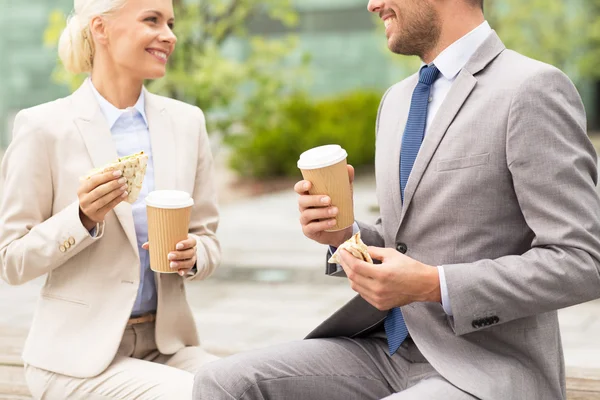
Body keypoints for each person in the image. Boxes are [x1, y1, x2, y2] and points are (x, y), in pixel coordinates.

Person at [193, 0, 600, 399]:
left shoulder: (532, 88)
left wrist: (434, 285)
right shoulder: (396, 100)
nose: (373, 5)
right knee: (222, 382)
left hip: (485, 366)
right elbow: (402, 240)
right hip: (385, 351)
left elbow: (585, 261)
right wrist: (343, 234)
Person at [0, 0, 221, 398]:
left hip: (166, 348)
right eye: (151, 20)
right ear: (101, 28)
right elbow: (12, 262)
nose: (169, 35)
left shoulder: (188, 123)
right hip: (73, 358)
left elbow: (208, 240)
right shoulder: (42, 128)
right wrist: (81, 218)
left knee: (252, 385)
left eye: (170, 23)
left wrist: (193, 256)